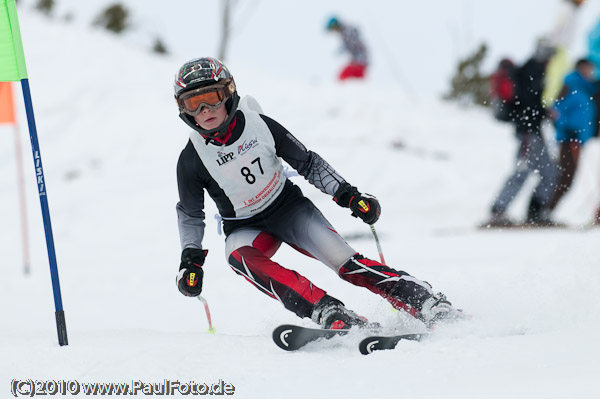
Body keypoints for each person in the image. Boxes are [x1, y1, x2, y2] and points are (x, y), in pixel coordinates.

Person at [173, 57, 463, 330]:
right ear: (183, 110)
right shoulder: (190, 159)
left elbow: (308, 163)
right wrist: (191, 260)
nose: (204, 111)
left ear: (228, 93)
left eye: (210, 98)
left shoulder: (259, 125)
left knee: (347, 264)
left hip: (288, 209)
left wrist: (349, 195)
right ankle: (327, 310)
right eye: (193, 104)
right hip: (244, 226)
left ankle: (426, 301)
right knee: (237, 255)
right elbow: (190, 214)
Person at [486, 42, 557, 227]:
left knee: (550, 171)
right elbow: (528, 104)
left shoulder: (532, 71)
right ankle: (498, 211)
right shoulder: (531, 71)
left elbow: (530, 103)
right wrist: (544, 113)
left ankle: (537, 211)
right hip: (528, 132)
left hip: (534, 132)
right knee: (523, 170)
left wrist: (542, 113)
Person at [548, 59, 598, 212]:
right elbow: (557, 110)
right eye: (587, 68)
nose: (590, 71)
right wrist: (567, 128)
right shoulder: (570, 84)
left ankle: (547, 210)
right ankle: (544, 210)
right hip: (568, 138)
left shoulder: (588, 87)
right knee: (565, 176)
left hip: (580, 139)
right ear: (580, 68)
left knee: (568, 176)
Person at [325, 16, 368, 81]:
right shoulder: (345, 32)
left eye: (333, 28)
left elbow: (353, 43)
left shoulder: (347, 31)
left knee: (343, 76)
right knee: (356, 81)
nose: (334, 31)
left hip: (359, 60)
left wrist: (344, 48)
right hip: (360, 60)